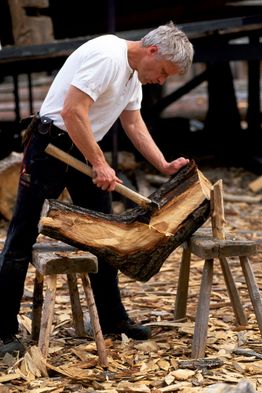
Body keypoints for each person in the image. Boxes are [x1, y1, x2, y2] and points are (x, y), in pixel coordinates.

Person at [0, 21, 193, 357]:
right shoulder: (108, 57)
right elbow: (72, 111)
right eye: (163, 72)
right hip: (51, 147)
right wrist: (100, 163)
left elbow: (133, 122)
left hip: (84, 149)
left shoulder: (134, 73)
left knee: (106, 236)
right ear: (152, 51)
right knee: (21, 236)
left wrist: (162, 164)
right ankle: (2, 330)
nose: (161, 80)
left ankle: (113, 320)